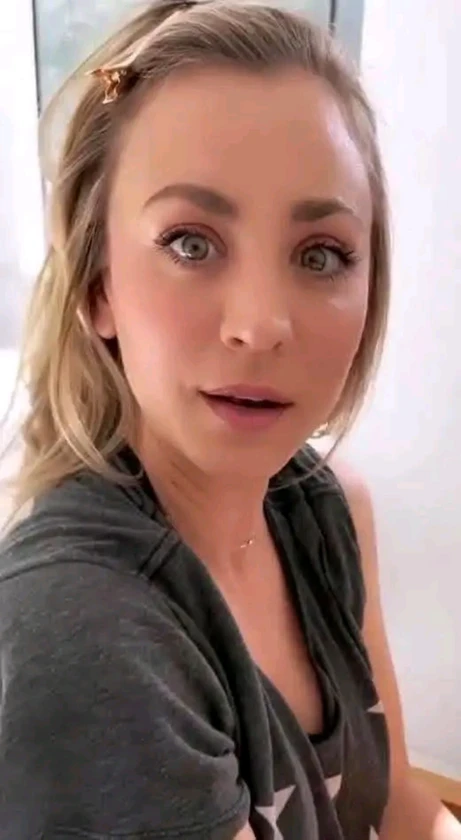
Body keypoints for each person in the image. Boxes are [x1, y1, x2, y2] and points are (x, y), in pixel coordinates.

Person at [0, 1, 459, 837]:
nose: (260, 325)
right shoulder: (84, 636)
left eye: (319, 255)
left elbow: (396, 803)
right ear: (99, 286)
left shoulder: (327, 510)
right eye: (190, 242)